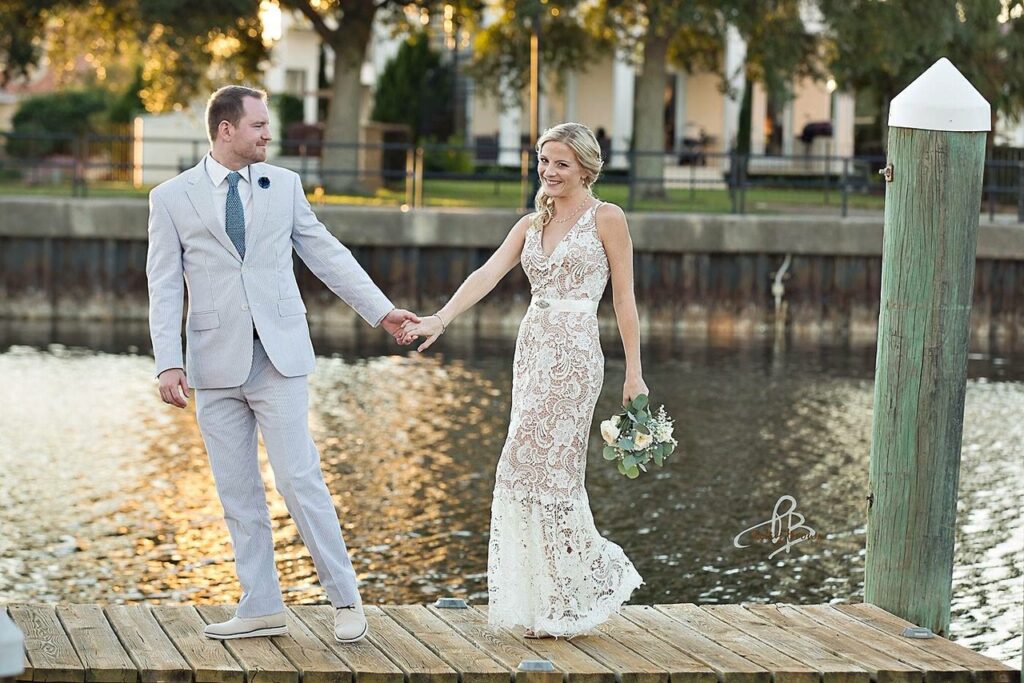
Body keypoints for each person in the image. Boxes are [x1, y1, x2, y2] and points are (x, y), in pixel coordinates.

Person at [145, 85, 417, 643]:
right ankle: (261, 605)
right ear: (226, 130)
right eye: (259, 126)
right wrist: (167, 362)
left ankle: (344, 599)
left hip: (280, 359)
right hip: (213, 365)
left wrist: (382, 311)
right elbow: (164, 286)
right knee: (237, 492)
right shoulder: (171, 197)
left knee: (300, 481)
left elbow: (327, 254)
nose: (269, 134)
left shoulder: (285, 186)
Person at [400, 122, 644, 638]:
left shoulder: (608, 218)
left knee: (553, 472)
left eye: (560, 163)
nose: (549, 171)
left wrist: (635, 373)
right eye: (543, 161)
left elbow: (624, 299)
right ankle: (543, 602)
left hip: (576, 354)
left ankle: (576, 591)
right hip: (532, 351)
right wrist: (440, 319)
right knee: (520, 470)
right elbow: (486, 275)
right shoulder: (532, 223)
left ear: (584, 167)